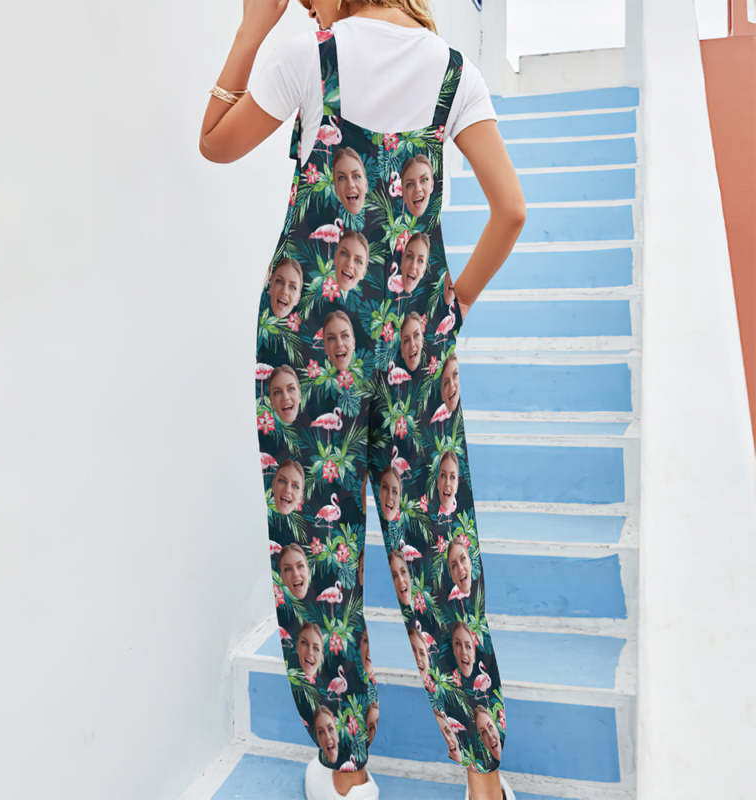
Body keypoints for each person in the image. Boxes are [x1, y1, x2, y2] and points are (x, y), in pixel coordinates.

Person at [200, 1, 525, 798]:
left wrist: (251, 28)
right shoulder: (454, 74)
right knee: (438, 543)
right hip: (417, 353)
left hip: (309, 351)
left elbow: (215, 142)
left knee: (319, 547)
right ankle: (484, 781)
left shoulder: (311, 58)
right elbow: (512, 210)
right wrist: (452, 306)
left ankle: (348, 778)